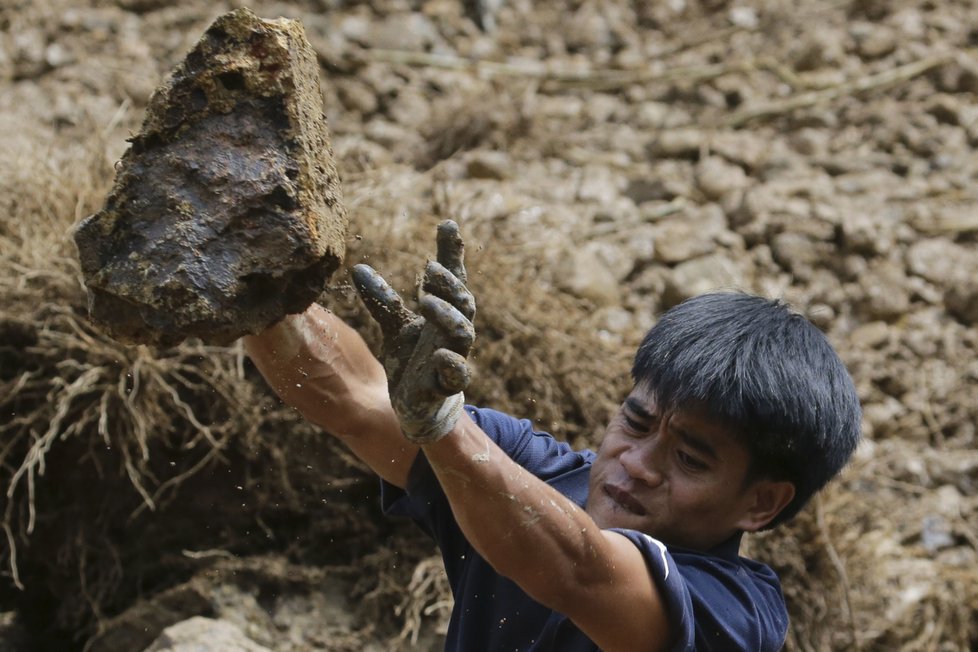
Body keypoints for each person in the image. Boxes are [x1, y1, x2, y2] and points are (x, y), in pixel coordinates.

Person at [243, 220, 862, 652]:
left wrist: (439, 426)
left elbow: (580, 571)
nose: (636, 464)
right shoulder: (536, 472)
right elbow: (355, 399)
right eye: (636, 423)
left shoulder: (734, 614)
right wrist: (252, 281)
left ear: (761, 502)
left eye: (691, 460)